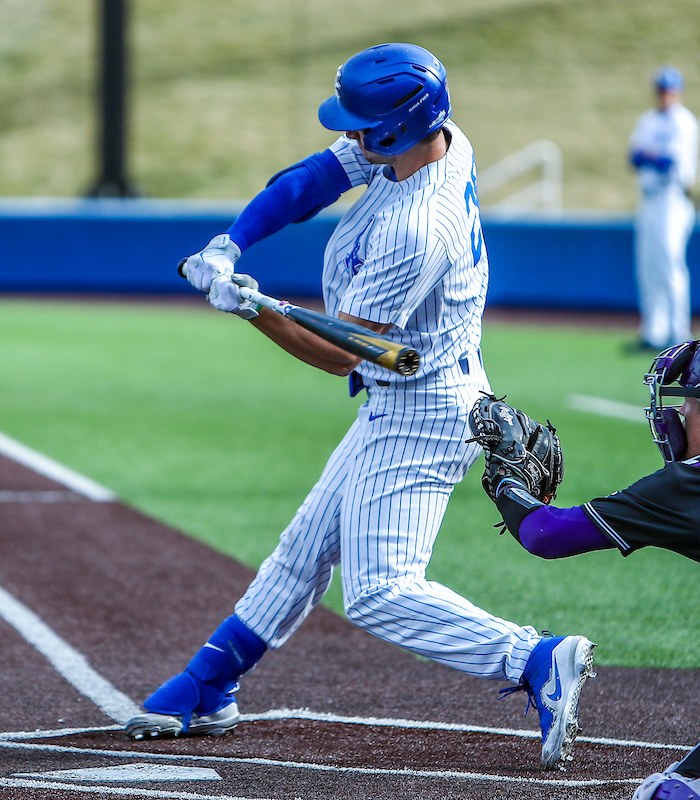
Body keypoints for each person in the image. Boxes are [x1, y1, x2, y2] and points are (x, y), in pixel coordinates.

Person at [123, 43, 595, 772]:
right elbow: (312, 179)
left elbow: (346, 353)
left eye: (362, 126)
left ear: (401, 128)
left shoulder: (417, 229)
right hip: (405, 392)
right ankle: (209, 683)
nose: (350, 137)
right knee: (305, 548)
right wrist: (232, 241)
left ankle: (534, 660)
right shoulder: (431, 141)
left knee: (378, 591)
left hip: (424, 408)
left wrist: (252, 309)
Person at [476, 341, 700, 799]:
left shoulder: (687, 485)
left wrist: (506, 479)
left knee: (669, 795)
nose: (675, 416)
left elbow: (546, 534)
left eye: (689, 403)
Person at [628, 66, 699, 354]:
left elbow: (670, 162)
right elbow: (634, 157)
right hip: (650, 197)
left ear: (678, 92)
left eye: (669, 90)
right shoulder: (647, 120)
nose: (665, 95)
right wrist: (651, 157)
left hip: (673, 198)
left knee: (670, 262)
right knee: (648, 264)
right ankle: (652, 330)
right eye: (661, 89)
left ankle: (678, 331)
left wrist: (650, 156)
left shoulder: (684, 121)